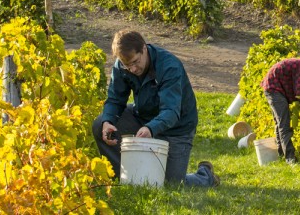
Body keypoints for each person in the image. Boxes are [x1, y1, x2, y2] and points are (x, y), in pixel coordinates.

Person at [92, 30, 219, 187]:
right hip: (143, 117)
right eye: (126, 65)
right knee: (100, 125)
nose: (132, 69)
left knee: (170, 184)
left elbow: (171, 111)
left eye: (135, 62)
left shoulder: (169, 66)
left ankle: (206, 176)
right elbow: (115, 99)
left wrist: (151, 128)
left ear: (144, 49)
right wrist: (108, 120)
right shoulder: (122, 66)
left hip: (177, 127)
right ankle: (128, 178)